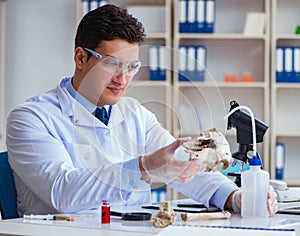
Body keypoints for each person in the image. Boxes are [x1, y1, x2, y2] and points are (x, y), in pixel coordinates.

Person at [6, 4, 277, 216]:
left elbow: (184, 168)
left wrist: (235, 198)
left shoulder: (135, 114)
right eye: (112, 64)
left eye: (131, 67)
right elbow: (63, 193)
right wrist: (144, 166)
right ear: (80, 58)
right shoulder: (31, 118)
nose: (122, 79)